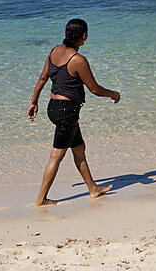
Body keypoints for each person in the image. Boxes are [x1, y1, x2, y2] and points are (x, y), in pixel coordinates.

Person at [28, 18, 121, 206]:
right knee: (56, 156)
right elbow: (94, 89)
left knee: (79, 149)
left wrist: (34, 102)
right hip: (66, 112)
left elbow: (42, 78)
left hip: (54, 108)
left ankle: (93, 188)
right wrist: (113, 94)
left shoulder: (54, 51)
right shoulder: (78, 60)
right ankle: (41, 199)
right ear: (84, 36)